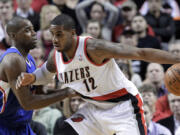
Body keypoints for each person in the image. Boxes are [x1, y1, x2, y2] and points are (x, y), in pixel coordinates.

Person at [16, 14, 180, 135]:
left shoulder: (93, 48)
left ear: (72, 34)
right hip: (93, 108)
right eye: (52, 35)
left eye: (59, 34)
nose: (54, 40)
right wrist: (34, 77)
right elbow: (45, 73)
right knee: (63, 131)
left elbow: (141, 53)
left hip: (124, 107)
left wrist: (176, 58)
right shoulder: (55, 56)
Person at [0, 17, 75, 135]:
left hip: (22, 126)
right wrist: (65, 93)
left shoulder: (29, 58)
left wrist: (69, 91)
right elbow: (28, 103)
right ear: (13, 36)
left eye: (33, 29)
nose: (34, 34)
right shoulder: (13, 60)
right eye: (27, 30)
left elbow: (38, 93)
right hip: (4, 127)